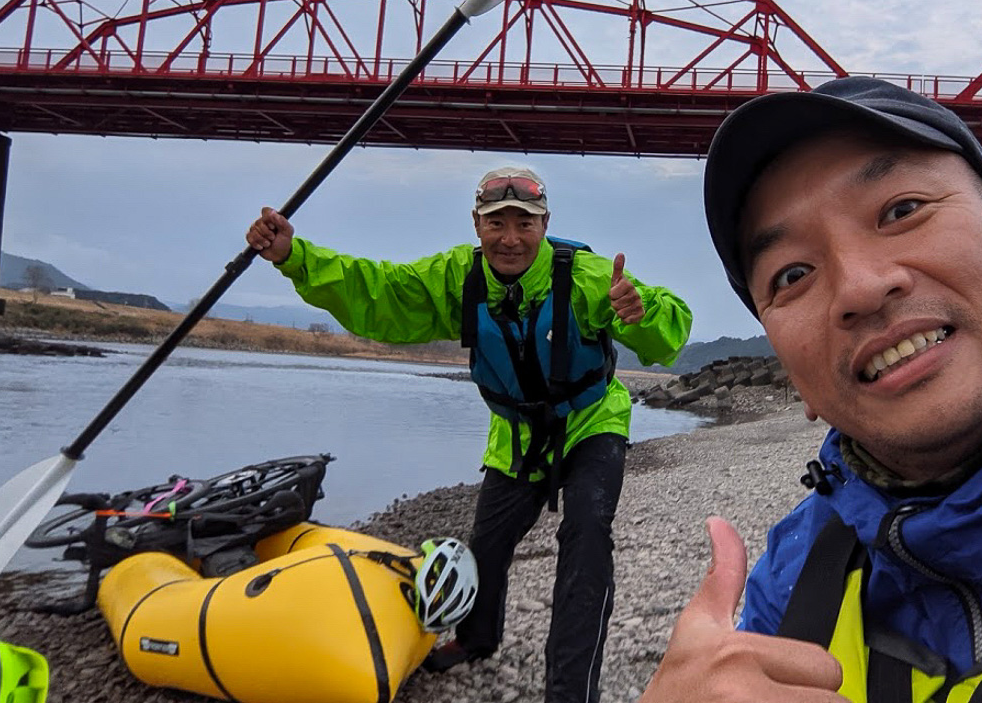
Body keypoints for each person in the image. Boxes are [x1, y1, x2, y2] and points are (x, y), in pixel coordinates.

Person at [639, 77, 982, 702]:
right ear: (800, 383)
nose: (859, 287)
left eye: (901, 210)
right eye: (793, 274)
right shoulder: (793, 582)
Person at [247, 165, 692, 703]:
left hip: (590, 420)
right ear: (476, 225)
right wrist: (296, 258)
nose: (510, 238)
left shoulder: (588, 275)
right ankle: (477, 639)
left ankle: (570, 689)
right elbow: (379, 294)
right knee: (487, 543)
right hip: (516, 431)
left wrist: (641, 315)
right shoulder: (459, 276)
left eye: (524, 224)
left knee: (587, 535)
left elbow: (668, 332)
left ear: (545, 223)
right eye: (495, 223)